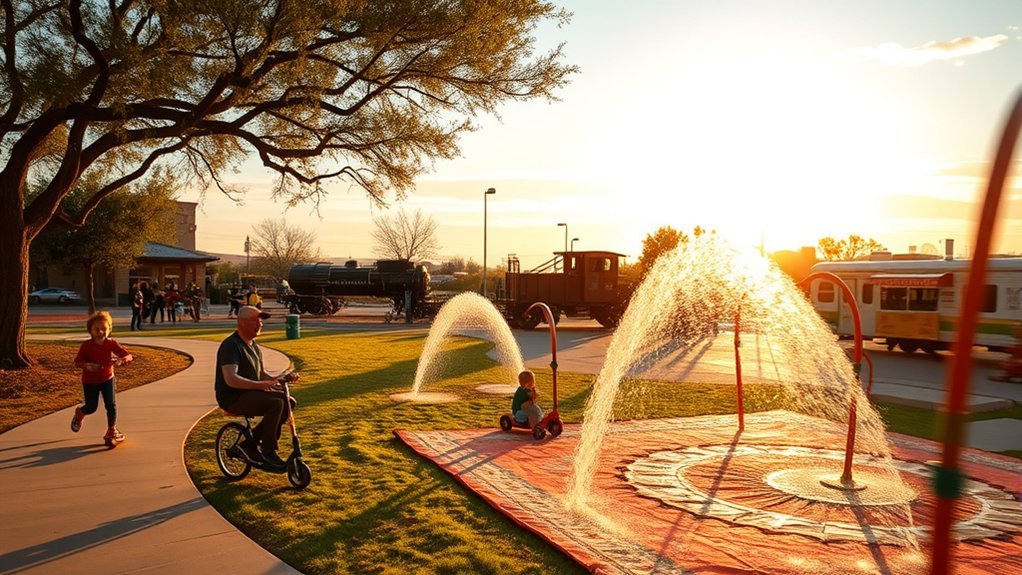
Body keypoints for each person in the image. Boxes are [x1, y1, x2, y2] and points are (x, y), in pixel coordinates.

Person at [215, 305, 294, 469]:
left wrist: (281, 378)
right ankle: (268, 450)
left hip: (250, 393)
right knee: (276, 403)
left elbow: (261, 374)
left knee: (288, 401)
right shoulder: (231, 345)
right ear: (241, 322)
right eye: (255, 320)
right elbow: (231, 379)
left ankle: (250, 444)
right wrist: (260, 385)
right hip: (233, 397)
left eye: (261, 321)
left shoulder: (253, 345)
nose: (260, 324)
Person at [71, 311, 133, 443]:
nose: (100, 332)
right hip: (90, 381)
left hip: (107, 378)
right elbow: (77, 362)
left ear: (109, 329)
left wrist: (122, 360)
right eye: (96, 329)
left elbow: (127, 355)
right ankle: (80, 413)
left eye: (104, 329)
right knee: (91, 407)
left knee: (111, 405)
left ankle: (112, 430)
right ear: (90, 330)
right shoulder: (86, 346)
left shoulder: (111, 343)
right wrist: (88, 366)